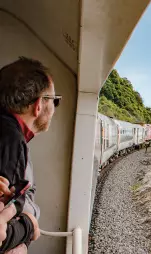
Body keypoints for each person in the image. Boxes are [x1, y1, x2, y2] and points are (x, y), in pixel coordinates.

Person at [0, 57, 61, 252]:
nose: (54, 109)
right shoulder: (12, 140)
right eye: (54, 101)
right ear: (38, 105)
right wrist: (29, 226)